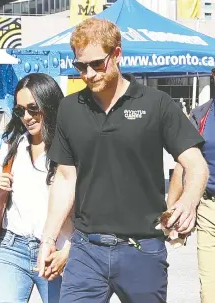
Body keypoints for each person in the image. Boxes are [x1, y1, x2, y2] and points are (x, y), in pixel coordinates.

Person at [37, 18, 209, 303]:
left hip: (142, 249)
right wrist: (48, 239)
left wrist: (188, 201)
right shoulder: (69, 108)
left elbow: (196, 164)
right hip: (86, 251)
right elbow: (65, 179)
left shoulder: (156, 103)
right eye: (81, 66)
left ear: (117, 54)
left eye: (97, 64)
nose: (88, 74)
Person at [0, 73, 73, 303]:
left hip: (57, 252)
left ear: (50, 105)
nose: (26, 117)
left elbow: (89, 205)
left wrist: (69, 251)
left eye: (33, 108)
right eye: (20, 110)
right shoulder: (13, 144)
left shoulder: (71, 147)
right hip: (11, 247)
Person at [168, 69, 215, 303]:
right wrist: (172, 213)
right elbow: (182, 165)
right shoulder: (201, 115)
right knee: (210, 292)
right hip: (209, 209)